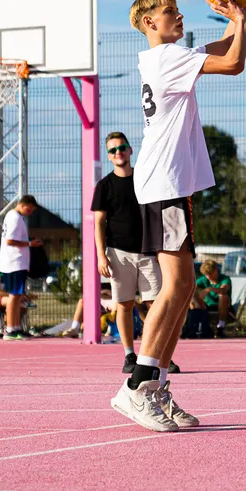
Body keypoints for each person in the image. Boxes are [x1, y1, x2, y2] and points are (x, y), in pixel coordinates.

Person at [110, 0, 246, 432]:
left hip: (170, 185)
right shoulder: (169, 58)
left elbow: (215, 48)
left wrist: (232, 23)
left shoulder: (160, 58)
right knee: (174, 287)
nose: (181, 16)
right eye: (172, 12)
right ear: (150, 22)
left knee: (186, 285)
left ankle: (157, 384)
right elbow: (233, 63)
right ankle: (136, 387)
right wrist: (242, 18)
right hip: (165, 185)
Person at [92, 131, 163, 372]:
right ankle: (130, 355)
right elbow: (99, 223)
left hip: (147, 252)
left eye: (121, 147)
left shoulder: (145, 179)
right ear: (109, 156)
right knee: (124, 304)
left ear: (130, 150)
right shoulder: (104, 186)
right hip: (118, 254)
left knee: (155, 304)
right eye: (112, 150)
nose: (118, 152)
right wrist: (101, 255)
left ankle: (157, 354)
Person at [0, 195, 41, 340]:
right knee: (14, 296)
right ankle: (10, 329)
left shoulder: (16, 217)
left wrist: (28, 242)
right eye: (30, 209)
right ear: (24, 204)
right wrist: (29, 244)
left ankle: (15, 327)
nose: (31, 212)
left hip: (17, 263)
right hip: (13, 263)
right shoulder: (14, 217)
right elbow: (10, 240)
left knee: (17, 296)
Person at [193, 260, 232, 338]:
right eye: (206, 275)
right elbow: (191, 287)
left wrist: (209, 289)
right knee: (191, 294)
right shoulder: (204, 279)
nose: (208, 277)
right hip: (207, 307)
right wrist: (195, 299)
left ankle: (220, 327)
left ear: (216, 270)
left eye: (210, 274)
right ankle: (192, 326)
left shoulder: (225, 279)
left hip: (225, 309)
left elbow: (223, 290)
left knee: (222, 296)